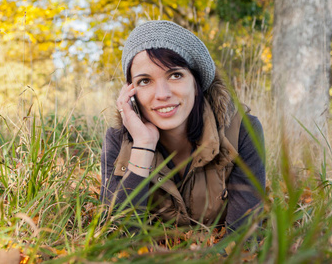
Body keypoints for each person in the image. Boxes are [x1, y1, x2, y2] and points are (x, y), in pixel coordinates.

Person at [100, 20, 265, 232]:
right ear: (131, 94)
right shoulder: (117, 140)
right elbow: (118, 237)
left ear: (196, 84)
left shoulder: (242, 131)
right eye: (144, 81)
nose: (162, 94)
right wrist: (143, 145)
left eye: (175, 75)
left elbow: (243, 237)